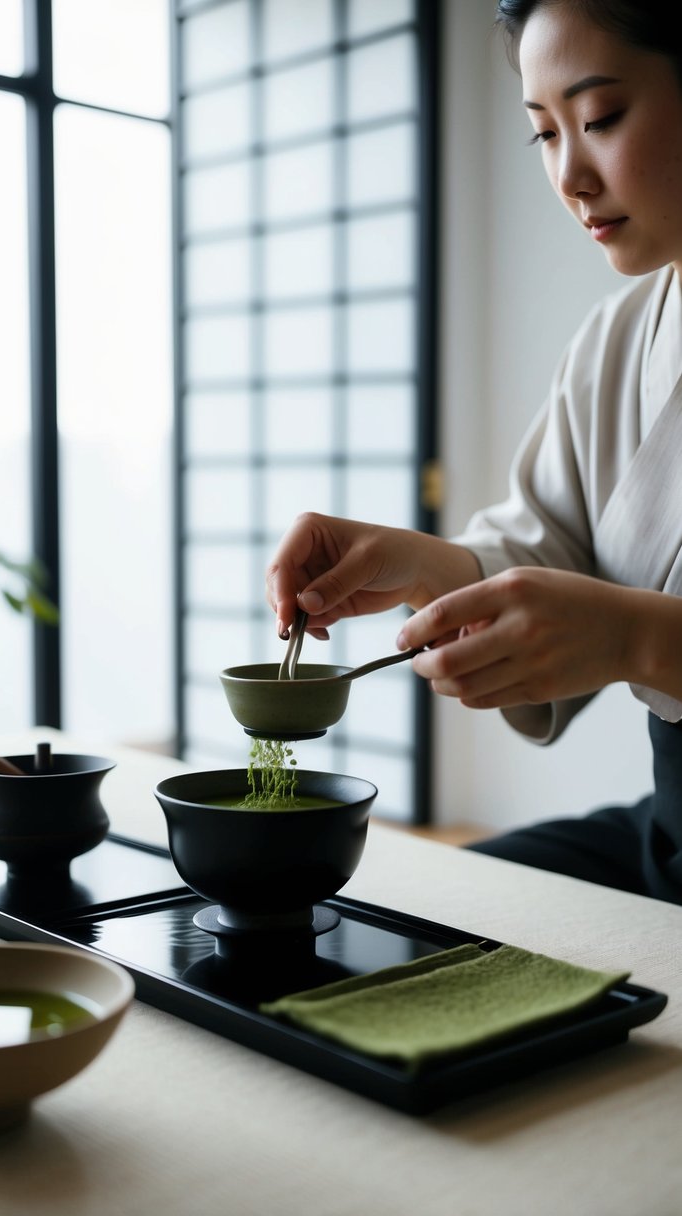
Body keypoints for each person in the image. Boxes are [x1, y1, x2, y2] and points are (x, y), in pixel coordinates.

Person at [265, 0, 682, 905]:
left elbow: (610, 618)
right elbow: (550, 550)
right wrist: (427, 567)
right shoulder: (619, 342)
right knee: (409, 919)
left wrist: (638, 637)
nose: (571, 174)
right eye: (543, 134)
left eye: (600, 118)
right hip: (671, 833)